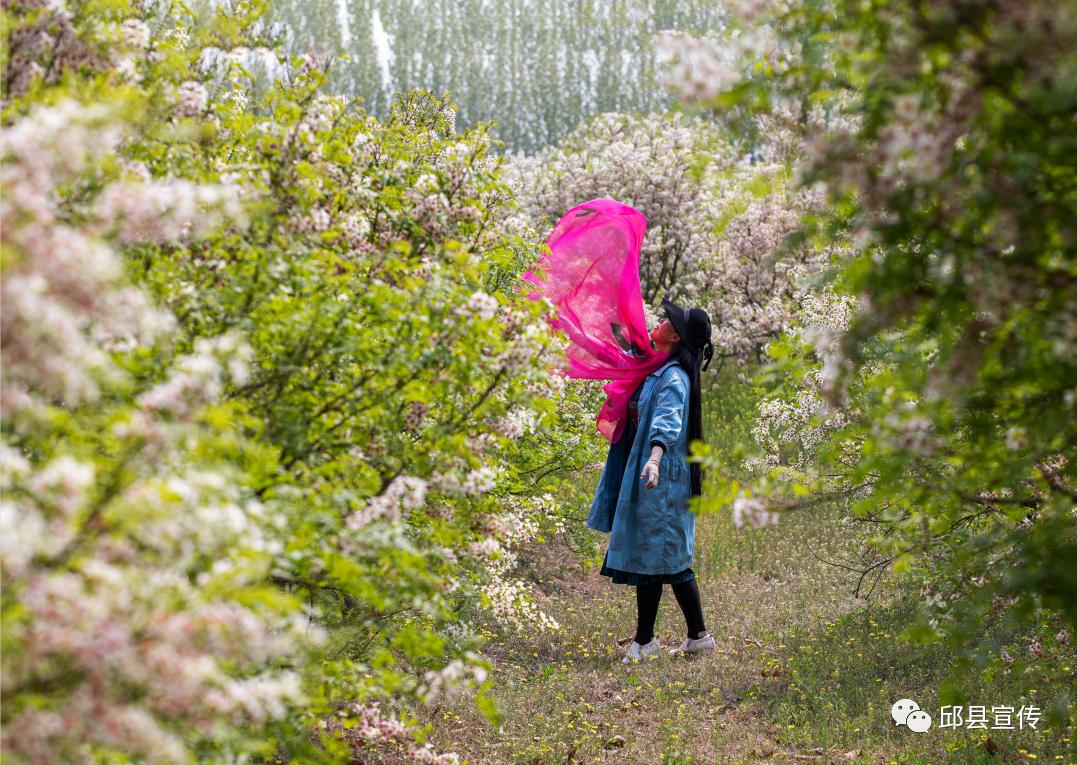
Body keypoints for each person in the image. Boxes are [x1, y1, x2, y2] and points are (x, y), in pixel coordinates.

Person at [585, 297, 716, 663]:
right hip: (654, 479)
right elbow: (628, 343)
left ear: (674, 336)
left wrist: (655, 458)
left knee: (660, 560)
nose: (657, 321)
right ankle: (695, 636)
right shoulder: (657, 364)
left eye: (664, 320)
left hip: (662, 480)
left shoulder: (673, 377)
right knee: (664, 560)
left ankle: (647, 642)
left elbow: (669, 419)